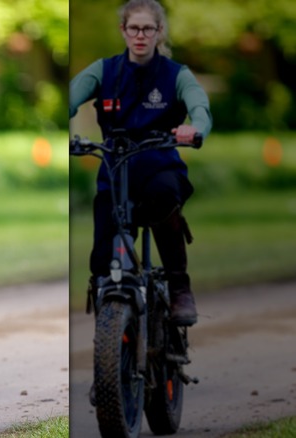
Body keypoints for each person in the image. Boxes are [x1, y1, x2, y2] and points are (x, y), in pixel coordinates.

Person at [69, 0, 212, 326]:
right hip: (115, 174)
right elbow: (71, 98)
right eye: (134, 28)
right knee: (102, 262)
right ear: (123, 30)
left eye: (148, 28)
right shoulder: (104, 71)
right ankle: (112, 346)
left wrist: (195, 129)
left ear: (159, 31)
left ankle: (179, 288)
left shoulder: (176, 75)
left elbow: (200, 108)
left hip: (160, 167)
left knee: (164, 197)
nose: (141, 35)